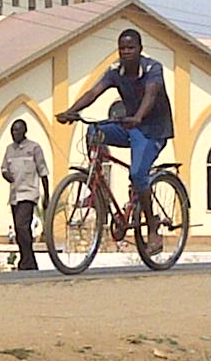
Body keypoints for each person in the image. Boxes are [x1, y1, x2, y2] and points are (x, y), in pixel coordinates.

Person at [56, 27, 174, 251]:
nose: (126, 52)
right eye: (122, 48)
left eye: (131, 48)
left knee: (138, 175)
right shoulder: (115, 71)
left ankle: (152, 228)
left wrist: (139, 117)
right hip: (129, 124)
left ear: (140, 49)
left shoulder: (152, 69)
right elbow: (93, 93)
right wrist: (71, 111)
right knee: (94, 132)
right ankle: (97, 190)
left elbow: (151, 94)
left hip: (152, 130)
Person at [1, 118, 50, 270]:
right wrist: (6, 175)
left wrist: (46, 196)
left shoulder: (34, 148)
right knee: (19, 229)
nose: (14, 133)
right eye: (12, 130)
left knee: (22, 226)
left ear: (24, 131)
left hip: (29, 193)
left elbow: (43, 172)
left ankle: (27, 261)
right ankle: (28, 260)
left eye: (17, 130)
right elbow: (4, 168)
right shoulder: (9, 149)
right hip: (15, 195)